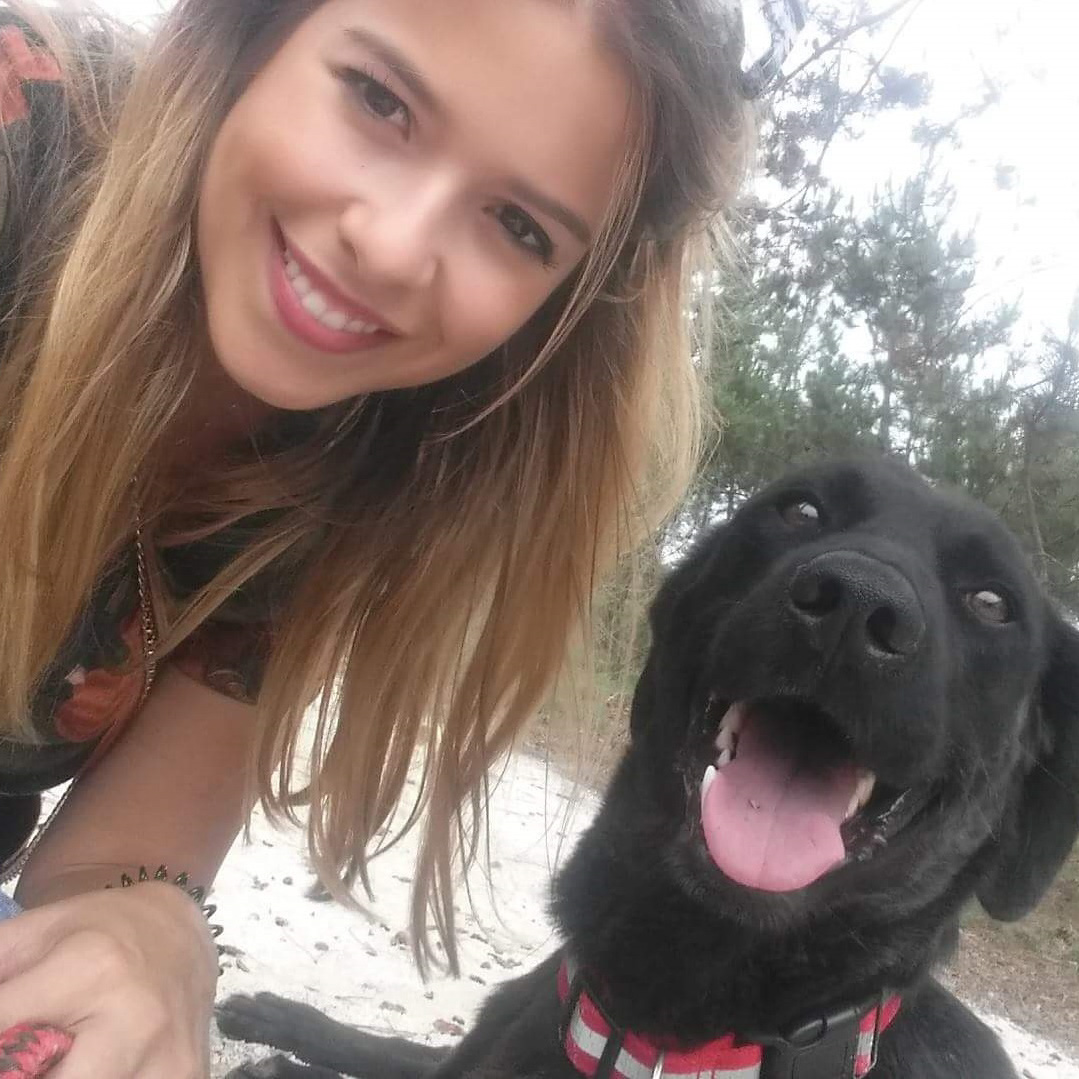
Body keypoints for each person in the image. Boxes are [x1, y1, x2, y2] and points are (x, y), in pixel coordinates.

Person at [0, 0, 796, 1075]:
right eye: (377, 99)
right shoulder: (20, 139)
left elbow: (120, 861)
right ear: (261, 30)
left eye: (517, 226)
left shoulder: (359, 455)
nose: (389, 245)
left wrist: (153, 930)